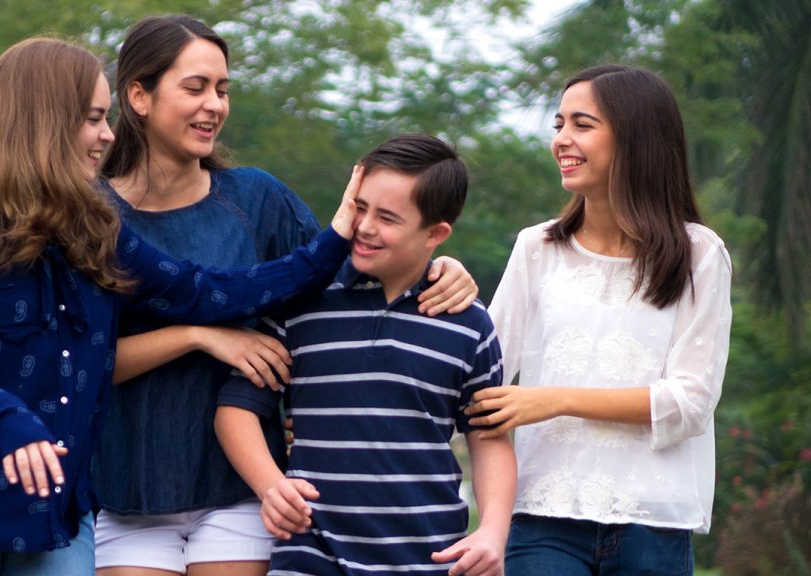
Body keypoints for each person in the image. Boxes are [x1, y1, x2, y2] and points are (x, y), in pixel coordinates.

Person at [0, 36, 361, 576]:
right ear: (44, 122)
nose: (107, 135)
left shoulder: (97, 230)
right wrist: (5, 419)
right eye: (92, 119)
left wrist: (343, 235)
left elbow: (209, 291)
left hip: (56, 518)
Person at [91, 15, 479, 576]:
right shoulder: (92, 215)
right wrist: (198, 336)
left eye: (222, 90)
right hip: (127, 491)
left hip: (242, 492)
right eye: (195, 87)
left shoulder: (257, 198)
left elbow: (346, 279)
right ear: (138, 96)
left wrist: (440, 266)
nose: (214, 106)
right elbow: (81, 362)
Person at [466, 64, 733, 575]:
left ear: (636, 138)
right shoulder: (536, 247)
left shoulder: (700, 253)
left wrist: (554, 399)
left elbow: (690, 402)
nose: (562, 140)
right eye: (558, 125)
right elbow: (480, 373)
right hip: (543, 518)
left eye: (582, 125)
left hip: (653, 522)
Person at [214, 134, 516, 576]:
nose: (366, 226)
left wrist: (492, 531)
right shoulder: (303, 301)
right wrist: (271, 486)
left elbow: (488, 439)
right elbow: (236, 409)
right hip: (310, 558)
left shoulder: (468, 323)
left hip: (429, 561)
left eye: (388, 217)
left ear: (436, 233)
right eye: (360, 207)